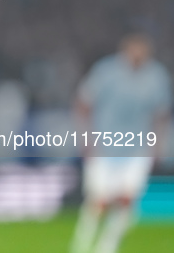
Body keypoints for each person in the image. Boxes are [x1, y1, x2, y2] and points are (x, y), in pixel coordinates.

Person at [70, 33, 172, 253]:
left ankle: (107, 246)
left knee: (127, 200)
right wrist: (85, 138)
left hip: (137, 148)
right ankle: (81, 244)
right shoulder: (106, 72)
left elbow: (161, 114)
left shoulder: (156, 77)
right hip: (104, 145)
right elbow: (84, 103)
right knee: (100, 201)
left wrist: (157, 146)